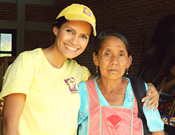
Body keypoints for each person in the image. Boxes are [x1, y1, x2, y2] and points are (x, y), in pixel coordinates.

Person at [0, 3, 159, 135]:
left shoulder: (79, 72)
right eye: (70, 31)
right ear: (56, 29)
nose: (75, 41)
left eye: (83, 36)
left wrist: (147, 88)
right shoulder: (28, 62)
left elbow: (111, 80)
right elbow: (9, 125)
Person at [78, 31, 165, 135]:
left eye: (121, 54)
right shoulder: (82, 91)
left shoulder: (141, 91)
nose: (114, 61)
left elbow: (157, 131)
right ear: (96, 59)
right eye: (107, 53)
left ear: (129, 61)